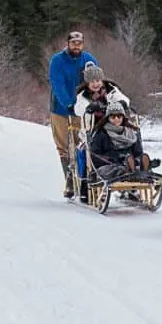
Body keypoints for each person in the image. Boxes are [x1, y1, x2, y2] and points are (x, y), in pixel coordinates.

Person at [49, 30, 99, 198]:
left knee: (82, 143)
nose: (76, 46)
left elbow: (95, 81)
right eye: (73, 43)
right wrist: (68, 103)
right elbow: (57, 85)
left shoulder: (88, 60)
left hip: (82, 108)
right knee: (64, 146)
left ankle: (83, 179)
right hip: (60, 109)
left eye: (79, 43)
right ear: (68, 43)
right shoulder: (57, 61)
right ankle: (69, 180)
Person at [89, 101, 159, 180]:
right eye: (113, 117)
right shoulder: (101, 133)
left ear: (123, 117)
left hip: (131, 162)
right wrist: (116, 159)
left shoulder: (132, 133)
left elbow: (138, 153)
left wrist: (141, 161)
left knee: (138, 163)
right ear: (108, 118)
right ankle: (131, 172)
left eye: (119, 116)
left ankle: (141, 169)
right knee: (116, 170)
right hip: (109, 165)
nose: (116, 119)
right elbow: (95, 156)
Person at [73, 61, 131, 141]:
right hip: (93, 125)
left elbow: (123, 99)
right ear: (87, 83)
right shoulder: (83, 94)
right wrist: (89, 107)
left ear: (102, 80)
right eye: (92, 82)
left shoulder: (110, 89)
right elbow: (78, 109)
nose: (96, 84)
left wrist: (121, 103)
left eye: (98, 81)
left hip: (112, 120)